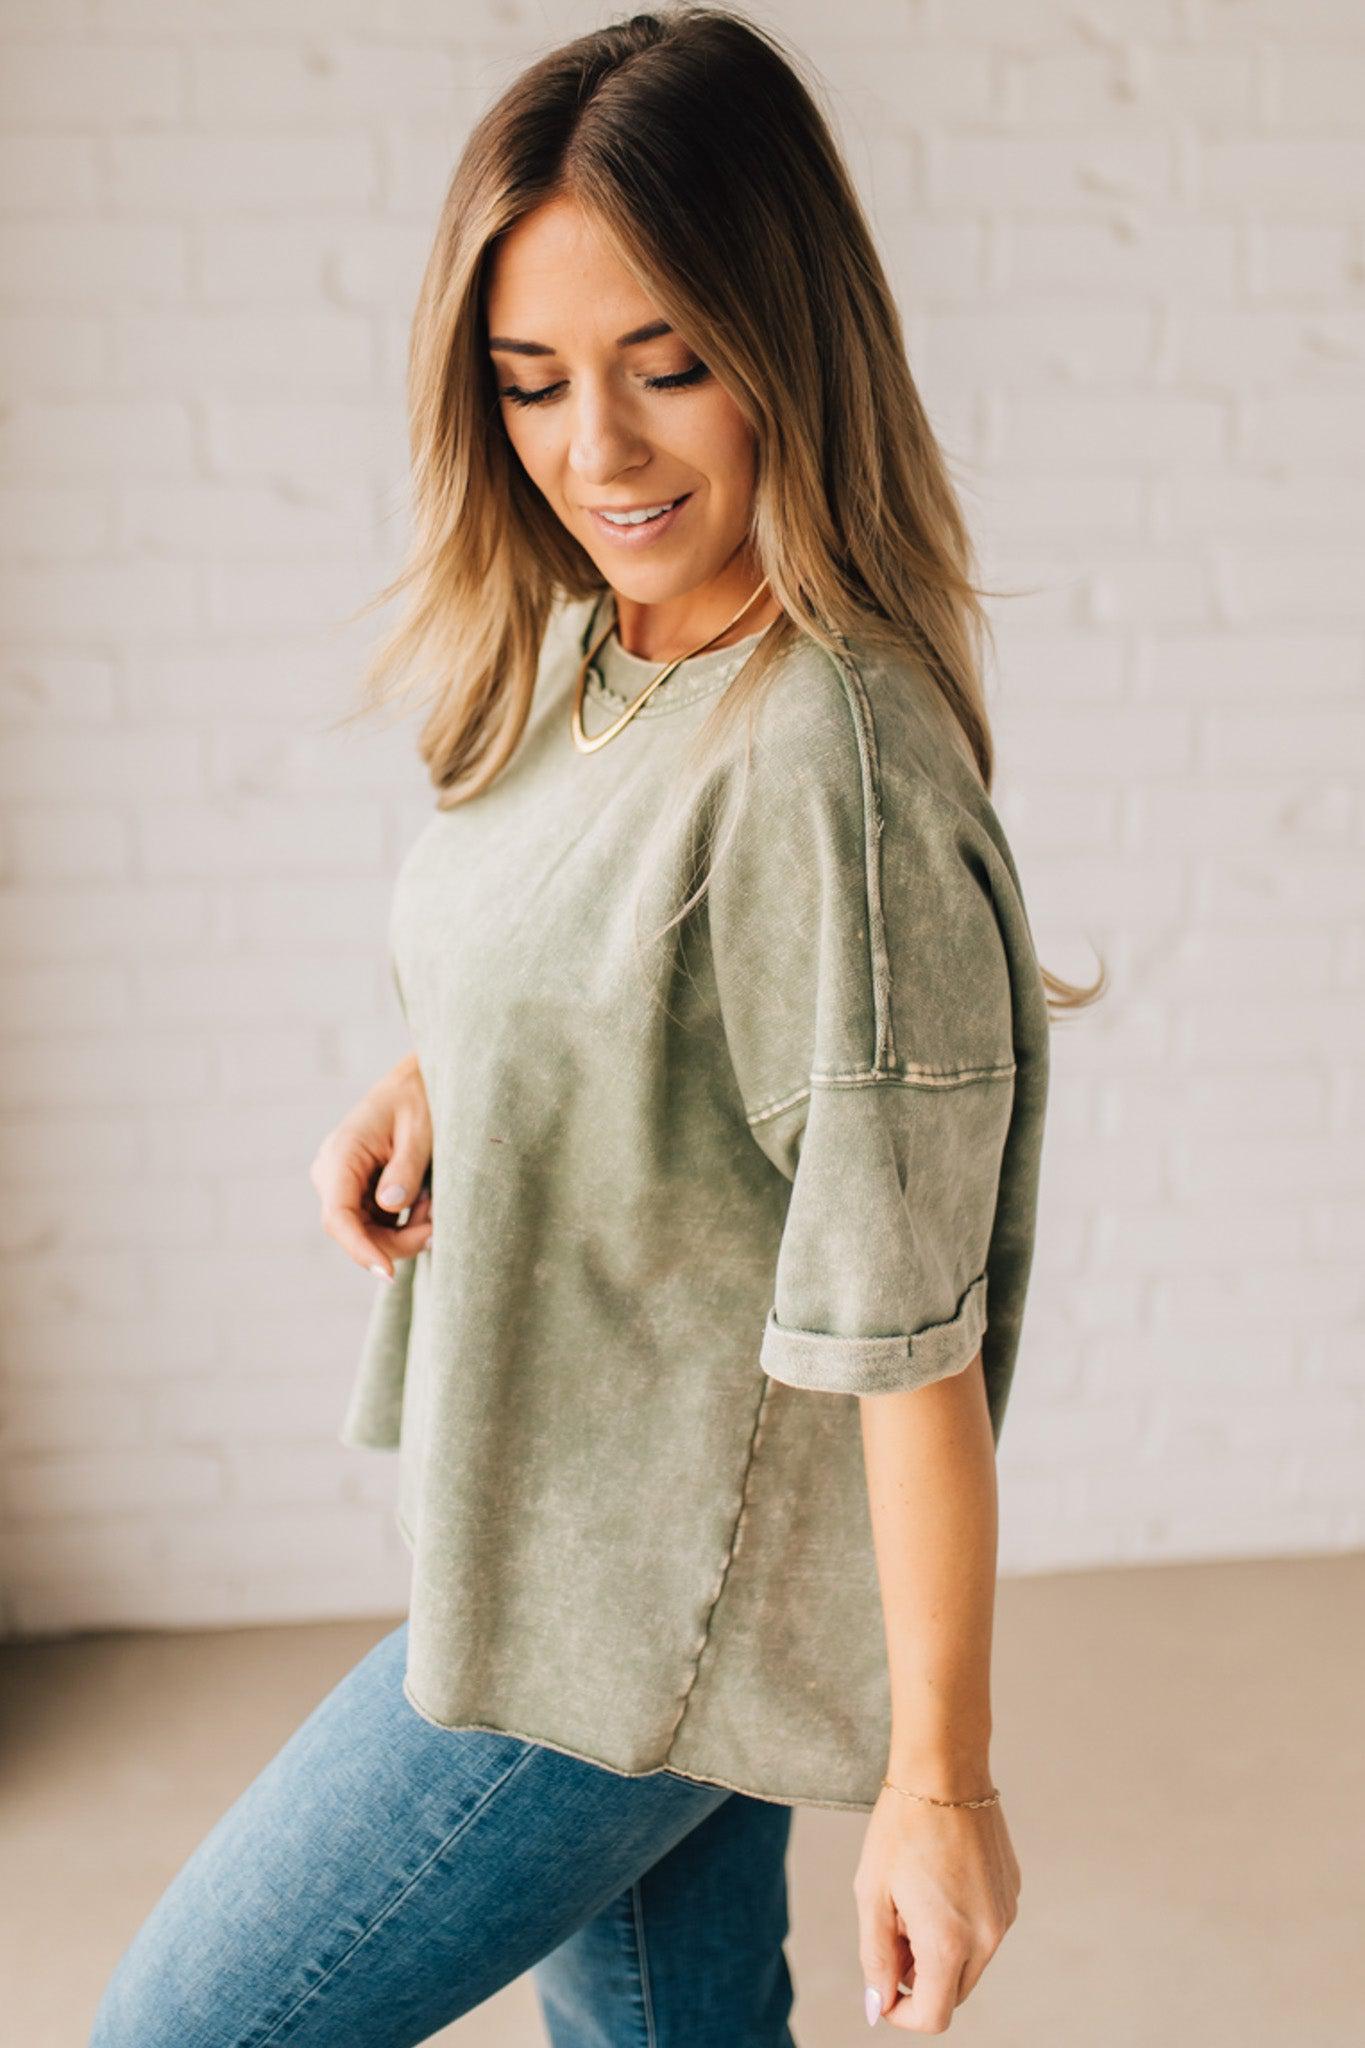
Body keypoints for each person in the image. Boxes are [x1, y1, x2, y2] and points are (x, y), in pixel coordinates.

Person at [89, 7, 1103, 2044]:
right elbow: (593, 971)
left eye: (670, 364)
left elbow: (902, 1330)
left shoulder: (822, 764)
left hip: (623, 1626)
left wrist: (939, 1784)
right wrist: (440, 1084)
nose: (600, 454)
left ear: (791, 346)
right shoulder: (593, 644)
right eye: (531, 380)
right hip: (555, 1532)